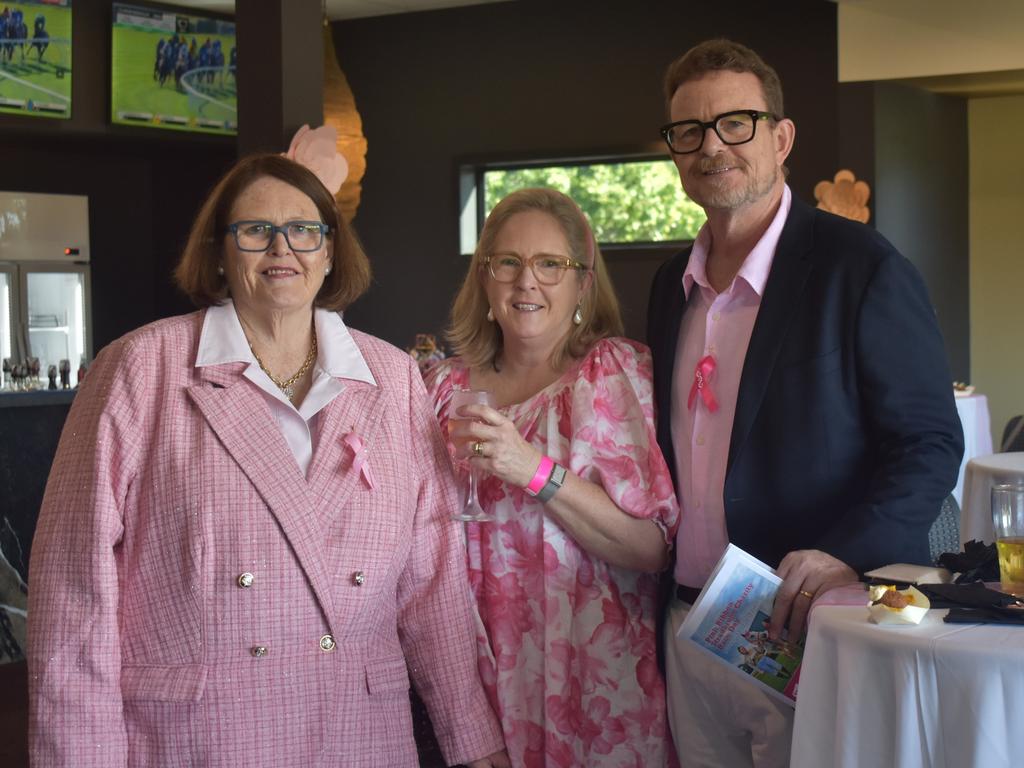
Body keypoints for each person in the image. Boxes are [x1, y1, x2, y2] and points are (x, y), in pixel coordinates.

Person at [27, 153, 509, 768]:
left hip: (359, 733)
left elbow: (431, 581)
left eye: (305, 230)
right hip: (199, 739)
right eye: (255, 231)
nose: (283, 248)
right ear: (220, 253)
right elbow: (73, 593)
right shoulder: (139, 368)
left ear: (331, 251)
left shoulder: (392, 377)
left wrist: (470, 735)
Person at [647, 39, 963, 767]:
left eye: (736, 123)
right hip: (690, 621)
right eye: (688, 131)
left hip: (812, 627)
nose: (711, 146)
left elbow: (928, 444)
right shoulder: (672, 284)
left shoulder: (863, 267)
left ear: (781, 137)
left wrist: (848, 554)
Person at [424, 187, 680, 767]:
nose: (526, 282)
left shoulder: (613, 375)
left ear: (582, 283)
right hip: (476, 680)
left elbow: (650, 548)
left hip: (592, 684)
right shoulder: (441, 389)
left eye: (549, 265)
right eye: (507, 262)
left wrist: (532, 469)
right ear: (484, 280)